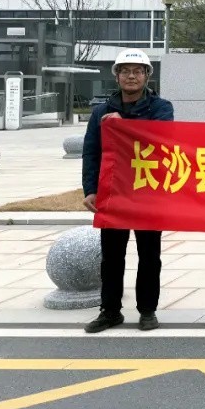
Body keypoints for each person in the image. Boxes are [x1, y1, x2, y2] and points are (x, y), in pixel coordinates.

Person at [82, 49, 174, 334]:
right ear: (117, 76)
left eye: (137, 71)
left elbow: (161, 138)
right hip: (113, 192)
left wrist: (123, 124)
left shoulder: (161, 108)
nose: (131, 76)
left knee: (149, 255)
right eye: (125, 71)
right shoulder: (100, 112)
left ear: (147, 76)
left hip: (148, 191)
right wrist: (90, 189)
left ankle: (147, 310)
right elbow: (91, 152)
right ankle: (110, 311)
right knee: (111, 256)